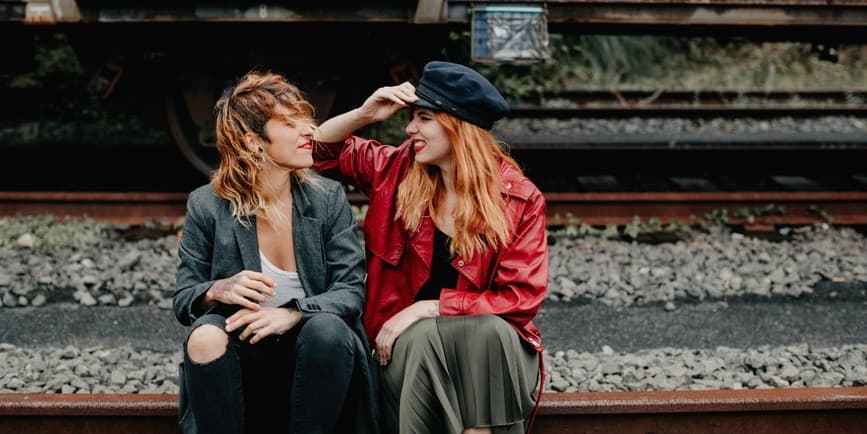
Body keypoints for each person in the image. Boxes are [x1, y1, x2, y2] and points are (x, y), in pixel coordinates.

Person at [313, 61, 547, 434]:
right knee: (422, 339)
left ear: (458, 127)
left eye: (423, 118)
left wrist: (429, 308)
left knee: (489, 331)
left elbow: (520, 298)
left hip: (485, 358)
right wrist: (364, 113)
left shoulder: (518, 198)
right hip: (405, 352)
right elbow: (319, 152)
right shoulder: (397, 169)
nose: (409, 129)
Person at [172, 69, 379, 434]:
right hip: (245, 351)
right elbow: (184, 298)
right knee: (204, 335)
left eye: (304, 119)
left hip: (316, 357)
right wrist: (217, 289)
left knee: (328, 329)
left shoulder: (327, 199)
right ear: (254, 143)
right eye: (289, 123)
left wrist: (294, 314)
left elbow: (351, 291)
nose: (308, 131)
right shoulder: (207, 205)